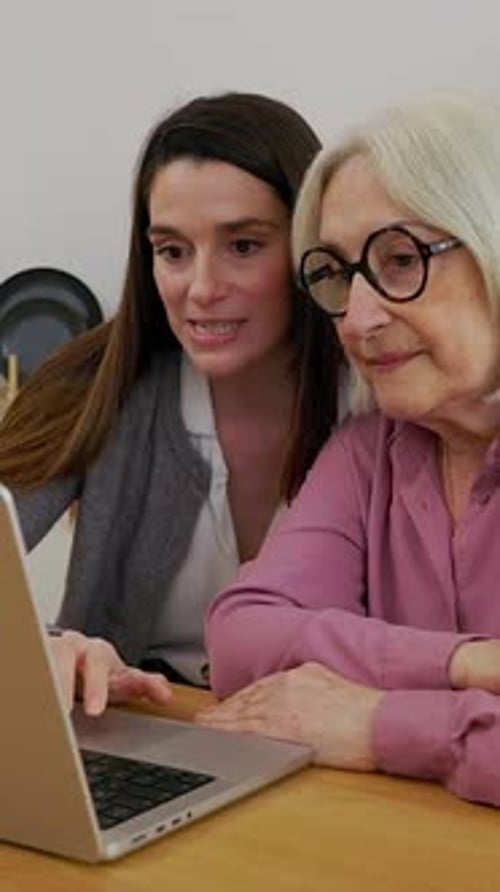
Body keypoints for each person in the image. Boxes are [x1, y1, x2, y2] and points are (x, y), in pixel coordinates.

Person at [200, 92, 500, 808]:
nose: (359, 319)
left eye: (401, 259)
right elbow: (241, 642)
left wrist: (377, 721)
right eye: (337, 274)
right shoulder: (370, 449)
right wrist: (462, 664)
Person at [0, 92, 341, 714]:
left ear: (308, 248)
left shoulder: (380, 403)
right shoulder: (92, 381)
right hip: (142, 735)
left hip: (327, 750)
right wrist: (49, 647)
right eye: (172, 250)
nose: (201, 289)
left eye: (243, 245)